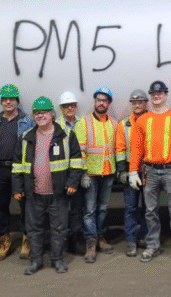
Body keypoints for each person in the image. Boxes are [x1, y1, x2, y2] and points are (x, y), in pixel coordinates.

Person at [11, 96, 84, 275]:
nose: (40, 116)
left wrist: (72, 182)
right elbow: (17, 166)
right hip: (33, 193)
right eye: (36, 113)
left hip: (58, 193)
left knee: (59, 228)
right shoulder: (26, 138)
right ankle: (36, 261)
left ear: (52, 114)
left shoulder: (66, 136)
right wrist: (17, 188)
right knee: (33, 229)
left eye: (43, 112)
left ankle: (57, 259)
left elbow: (76, 161)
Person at [128, 80, 171, 264]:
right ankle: (152, 246)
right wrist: (133, 172)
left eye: (160, 93)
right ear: (150, 96)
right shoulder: (142, 120)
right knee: (150, 211)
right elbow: (136, 149)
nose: (157, 96)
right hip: (150, 172)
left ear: (166, 95)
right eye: (154, 94)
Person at [0, 84, 35, 261]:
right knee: (0, 207)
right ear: (1, 102)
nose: (8, 102)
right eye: (5, 99)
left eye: (11, 99)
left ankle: (27, 241)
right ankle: (4, 242)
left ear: (17, 101)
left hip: (21, 170)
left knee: (26, 206)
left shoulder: (28, 121)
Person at [73, 86, 118, 263]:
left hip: (108, 172)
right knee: (89, 210)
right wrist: (83, 172)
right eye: (99, 100)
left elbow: (116, 148)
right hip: (90, 174)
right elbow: (80, 151)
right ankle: (90, 242)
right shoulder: (84, 123)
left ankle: (100, 237)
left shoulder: (114, 123)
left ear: (109, 103)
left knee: (102, 208)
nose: (101, 103)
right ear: (94, 101)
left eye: (104, 100)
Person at [115, 89, 150, 257]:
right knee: (130, 207)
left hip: (149, 170)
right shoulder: (124, 124)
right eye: (134, 103)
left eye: (140, 102)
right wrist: (122, 171)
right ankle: (130, 241)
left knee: (148, 207)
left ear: (145, 103)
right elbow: (120, 148)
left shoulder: (152, 120)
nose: (137, 105)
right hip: (131, 170)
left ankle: (144, 236)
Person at [57, 91, 85, 256]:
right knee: (60, 209)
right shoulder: (55, 125)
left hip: (78, 172)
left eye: (72, 105)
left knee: (77, 208)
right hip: (60, 173)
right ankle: (61, 241)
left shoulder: (83, 123)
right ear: (61, 108)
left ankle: (75, 240)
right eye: (66, 106)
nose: (70, 108)